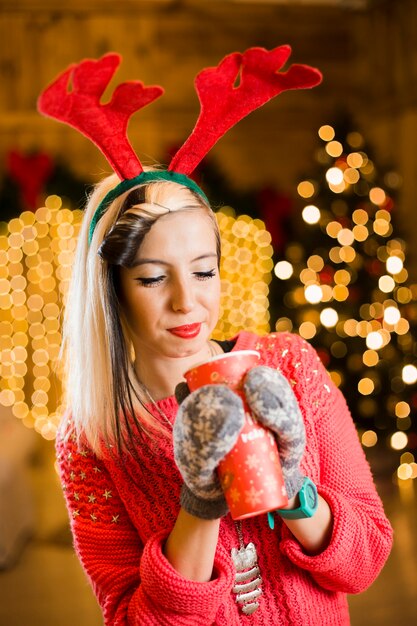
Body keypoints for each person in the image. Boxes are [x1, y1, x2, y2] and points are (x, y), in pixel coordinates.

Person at [39, 47, 392, 625]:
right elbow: (135, 620)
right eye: (153, 277)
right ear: (111, 290)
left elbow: (366, 560)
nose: (188, 300)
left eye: (204, 270)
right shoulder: (93, 439)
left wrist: (293, 480)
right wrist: (199, 501)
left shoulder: (288, 367)